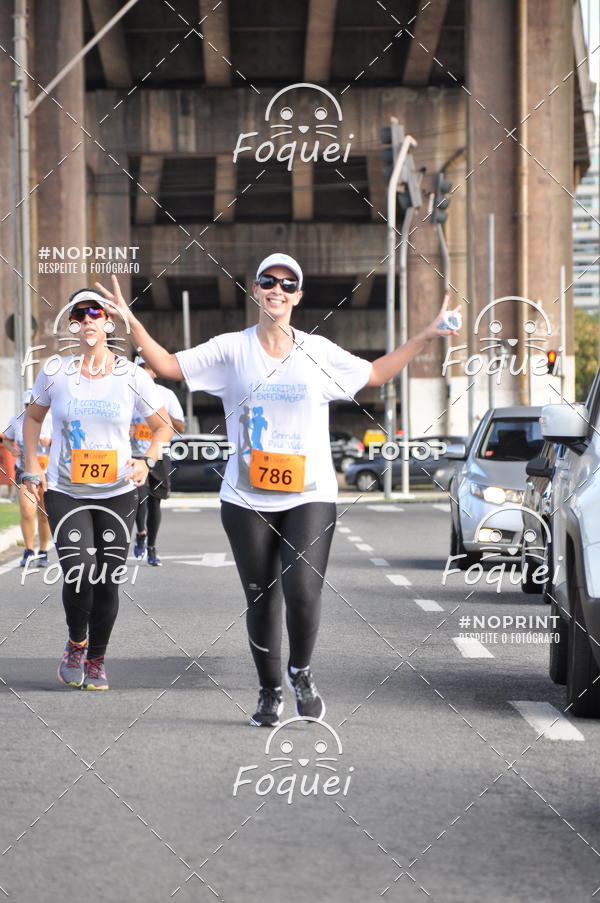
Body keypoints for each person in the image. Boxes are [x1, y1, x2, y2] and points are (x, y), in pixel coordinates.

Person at [95, 259, 459, 724]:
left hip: (310, 493)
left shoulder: (317, 351)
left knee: (303, 591)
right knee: (261, 596)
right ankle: (269, 691)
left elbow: (375, 375)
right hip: (245, 498)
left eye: (289, 284)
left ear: (298, 296)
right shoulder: (231, 350)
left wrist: (424, 335)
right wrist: (131, 322)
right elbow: (166, 365)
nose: (278, 290)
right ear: (255, 290)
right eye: (269, 282)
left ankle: (300, 671)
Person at [22, 289, 172, 690]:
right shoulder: (55, 371)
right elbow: (33, 419)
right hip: (66, 489)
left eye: (96, 313)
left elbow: (163, 426)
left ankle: (97, 660)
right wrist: (32, 467)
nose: (88, 320)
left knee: (108, 577)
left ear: (108, 322)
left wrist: (147, 460)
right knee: (78, 570)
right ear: (74, 324)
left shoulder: (132, 375)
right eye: (80, 314)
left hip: (118, 491)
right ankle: (76, 642)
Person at [130, 356, 185, 565]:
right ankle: (141, 532)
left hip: (160, 455)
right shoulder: (129, 394)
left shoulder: (166, 395)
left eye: (148, 367)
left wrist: (162, 418)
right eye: (141, 367)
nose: (145, 370)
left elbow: (180, 428)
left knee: (155, 502)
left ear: (154, 371)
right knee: (139, 498)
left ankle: (151, 546)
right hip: (136, 455)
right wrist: (128, 429)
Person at [2, 390, 52, 567]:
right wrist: (12, 449)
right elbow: (6, 438)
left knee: (44, 514)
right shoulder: (17, 421)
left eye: (32, 404)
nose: (29, 408)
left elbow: (67, 441)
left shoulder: (51, 419)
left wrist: (50, 442)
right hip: (25, 470)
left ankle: (44, 551)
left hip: (48, 471)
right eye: (26, 405)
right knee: (27, 510)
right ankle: (29, 550)